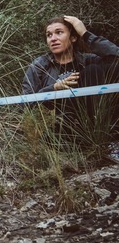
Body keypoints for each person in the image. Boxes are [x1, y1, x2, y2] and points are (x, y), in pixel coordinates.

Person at [22, 15, 119, 158]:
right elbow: (25, 103)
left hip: (95, 122)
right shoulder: (39, 66)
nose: (53, 38)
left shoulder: (87, 60)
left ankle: (107, 142)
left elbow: (116, 58)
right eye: (49, 35)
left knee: (93, 70)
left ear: (73, 37)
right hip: (62, 127)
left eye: (59, 32)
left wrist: (85, 34)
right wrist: (53, 89)